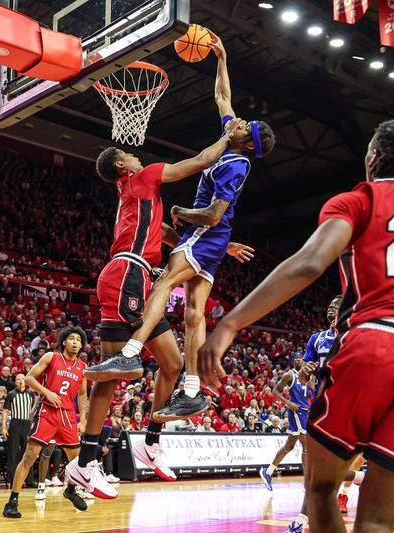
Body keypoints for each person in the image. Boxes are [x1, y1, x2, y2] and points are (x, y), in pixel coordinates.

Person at [198, 118, 394, 533]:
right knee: (377, 521)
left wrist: (230, 324)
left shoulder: (361, 199)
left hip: (376, 341)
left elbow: (308, 263)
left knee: (321, 488)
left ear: (372, 156)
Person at [86, 32, 274, 420]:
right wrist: (221, 58)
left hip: (206, 232)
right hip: (211, 240)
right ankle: (191, 390)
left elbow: (213, 216)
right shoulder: (232, 140)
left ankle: (129, 353)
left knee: (164, 283)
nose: (237, 121)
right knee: (192, 313)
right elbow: (222, 97)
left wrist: (182, 212)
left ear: (247, 141)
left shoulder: (235, 162)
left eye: (242, 125)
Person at [68, 107, 250, 493]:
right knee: (112, 376)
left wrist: (217, 245)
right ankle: (85, 462)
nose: (137, 154)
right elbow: (200, 161)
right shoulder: (143, 176)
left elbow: (166, 233)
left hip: (135, 277)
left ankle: (151, 443)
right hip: (125, 276)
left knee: (173, 363)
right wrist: (228, 134)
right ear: (123, 164)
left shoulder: (137, 196)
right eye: (130, 154)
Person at [3, 326, 89, 519]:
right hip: (48, 412)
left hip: (67, 415)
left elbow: (82, 395)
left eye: (79, 340)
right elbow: (29, 377)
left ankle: (71, 490)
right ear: (64, 341)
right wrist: (47, 392)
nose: (75, 342)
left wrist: (82, 419)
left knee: (78, 460)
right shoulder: (51, 356)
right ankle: (12, 502)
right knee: (30, 455)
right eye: (72, 339)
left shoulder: (83, 367)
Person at [259, 355, 315, 491]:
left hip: (305, 412)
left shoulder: (308, 376)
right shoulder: (290, 375)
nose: (298, 360)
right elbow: (275, 390)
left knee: (289, 446)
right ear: (292, 362)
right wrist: (288, 403)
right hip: (296, 411)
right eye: (296, 359)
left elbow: (312, 392)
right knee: (306, 447)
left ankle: (268, 472)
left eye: (301, 358)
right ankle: (308, 483)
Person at [2, 373, 35, 488]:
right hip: (15, 424)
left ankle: (30, 480)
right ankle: (12, 481)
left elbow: (33, 410)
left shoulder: (31, 394)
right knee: (13, 453)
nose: (20, 381)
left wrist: (33, 424)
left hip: (27, 424)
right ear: (15, 382)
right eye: (18, 379)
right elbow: (5, 411)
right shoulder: (11, 394)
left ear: (26, 381)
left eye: (22, 379)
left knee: (29, 453)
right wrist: (3, 428)